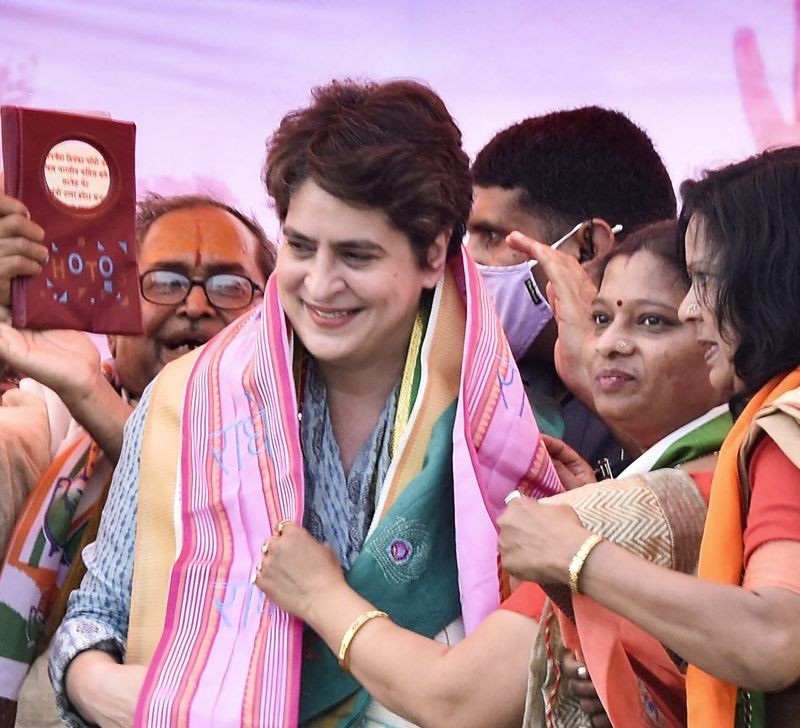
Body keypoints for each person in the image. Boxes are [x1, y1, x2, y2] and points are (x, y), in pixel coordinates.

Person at [50, 79, 560, 727]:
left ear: (434, 252)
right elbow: (97, 616)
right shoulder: (191, 400)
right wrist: (110, 689)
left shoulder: (495, 426)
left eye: (356, 255)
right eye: (300, 246)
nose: (320, 286)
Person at [253, 219, 730, 728]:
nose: (610, 343)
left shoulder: (657, 500)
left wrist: (319, 594)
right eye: (600, 318)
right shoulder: (696, 472)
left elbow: (455, 701)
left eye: (653, 322)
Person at [499, 146, 800, 727]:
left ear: (771, 275)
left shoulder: (786, 426)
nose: (692, 308)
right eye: (605, 319)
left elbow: (774, 637)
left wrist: (574, 553)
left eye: (707, 280)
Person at [0, 192, 274, 726]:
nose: (196, 306)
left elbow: (205, 493)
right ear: (113, 319)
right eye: (165, 283)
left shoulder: (299, 447)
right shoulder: (47, 426)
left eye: (230, 286)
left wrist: (91, 397)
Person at [467, 106, 677, 476]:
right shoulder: (471, 379)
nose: (468, 260)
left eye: (494, 236)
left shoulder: (697, 373)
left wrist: (590, 379)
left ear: (586, 247)